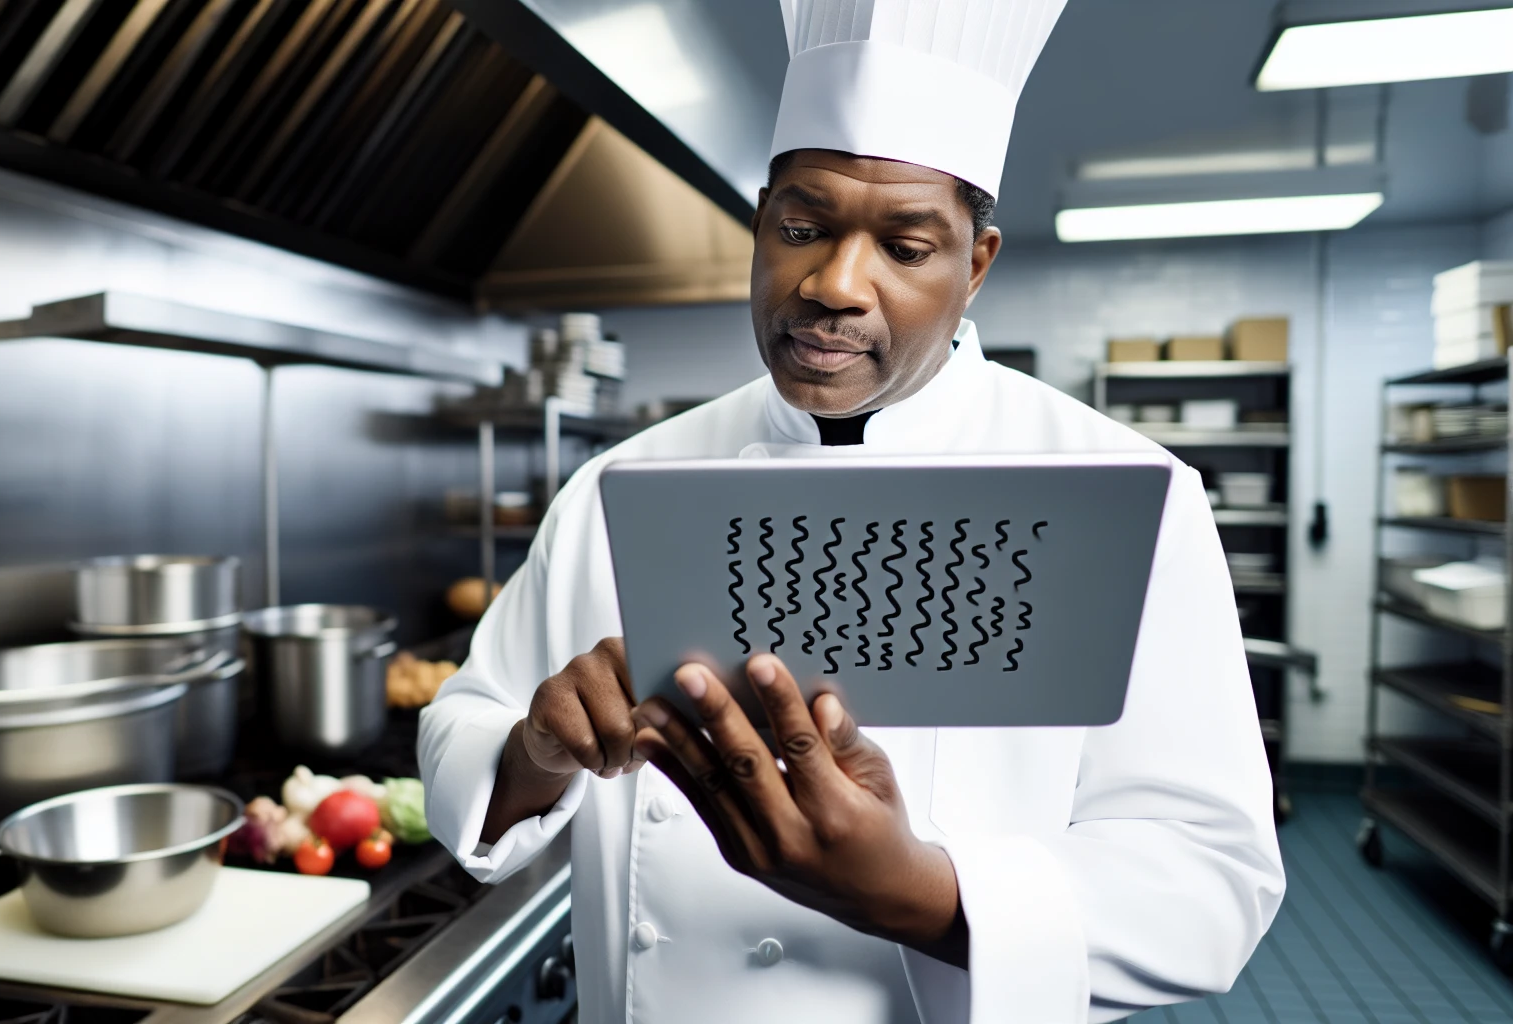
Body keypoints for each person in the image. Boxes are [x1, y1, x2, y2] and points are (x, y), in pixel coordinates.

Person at [419, 2, 1285, 1021]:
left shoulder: (1125, 496)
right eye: (801, 227)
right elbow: (462, 727)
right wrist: (537, 749)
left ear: (976, 265)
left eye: (906, 247)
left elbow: (1209, 879)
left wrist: (919, 892)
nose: (832, 283)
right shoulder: (620, 484)